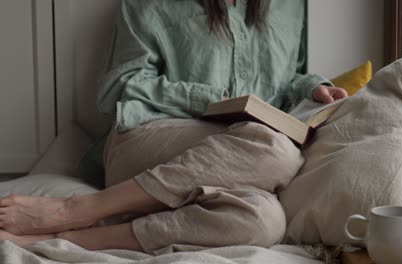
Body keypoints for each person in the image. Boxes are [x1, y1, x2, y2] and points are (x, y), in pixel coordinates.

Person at [0, 0, 347, 253]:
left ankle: (66, 239)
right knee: (276, 151)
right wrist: (208, 99)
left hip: (236, 159)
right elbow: (118, 86)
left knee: (265, 220)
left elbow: (289, 78)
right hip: (149, 138)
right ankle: (73, 210)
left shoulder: (290, 6)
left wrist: (311, 88)